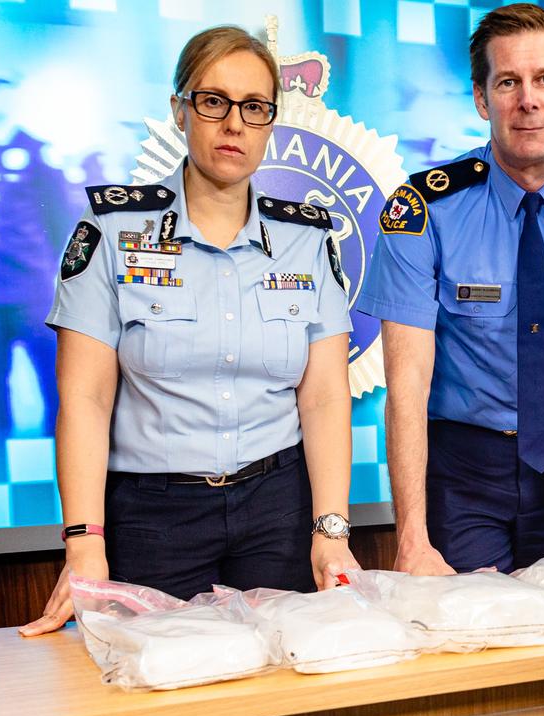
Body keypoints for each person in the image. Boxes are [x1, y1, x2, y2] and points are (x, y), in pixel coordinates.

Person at [20, 25, 358, 636]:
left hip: (276, 510)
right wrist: (83, 545)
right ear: (180, 111)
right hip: (153, 518)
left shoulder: (309, 240)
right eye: (213, 101)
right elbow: (86, 401)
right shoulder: (113, 233)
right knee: (158, 681)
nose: (234, 124)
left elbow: (326, 396)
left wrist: (330, 530)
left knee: (284, 682)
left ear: (271, 122)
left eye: (254, 107)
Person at [358, 3, 544, 575]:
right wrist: (411, 539)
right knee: (470, 636)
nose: (528, 99)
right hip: (462, 465)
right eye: (508, 82)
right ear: (482, 98)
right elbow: (406, 382)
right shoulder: (424, 210)